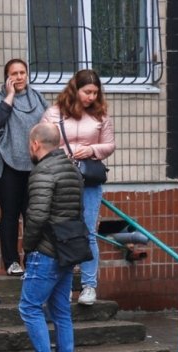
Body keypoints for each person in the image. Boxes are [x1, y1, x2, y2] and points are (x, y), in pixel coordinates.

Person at [14, 122, 83, 352]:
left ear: (35, 144)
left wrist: (27, 247)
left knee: (29, 307)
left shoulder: (43, 171)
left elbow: (37, 216)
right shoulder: (72, 169)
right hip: (67, 250)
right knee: (61, 311)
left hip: (46, 251)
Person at [42, 69, 115, 305]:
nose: (91, 97)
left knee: (88, 232)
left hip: (88, 179)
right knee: (61, 230)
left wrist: (91, 149)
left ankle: (89, 286)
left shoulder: (100, 115)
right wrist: (64, 153)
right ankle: (59, 286)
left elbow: (109, 145)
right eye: (87, 92)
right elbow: (42, 143)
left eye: (95, 92)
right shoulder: (54, 113)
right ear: (75, 89)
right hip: (61, 178)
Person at [0, 59, 49, 277]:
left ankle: (32, 259)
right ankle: (11, 261)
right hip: (7, 165)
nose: (19, 77)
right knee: (10, 215)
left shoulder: (37, 98)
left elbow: (51, 124)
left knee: (33, 215)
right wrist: (10, 96)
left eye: (22, 72)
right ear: (7, 77)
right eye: (14, 73)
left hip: (35, 165)